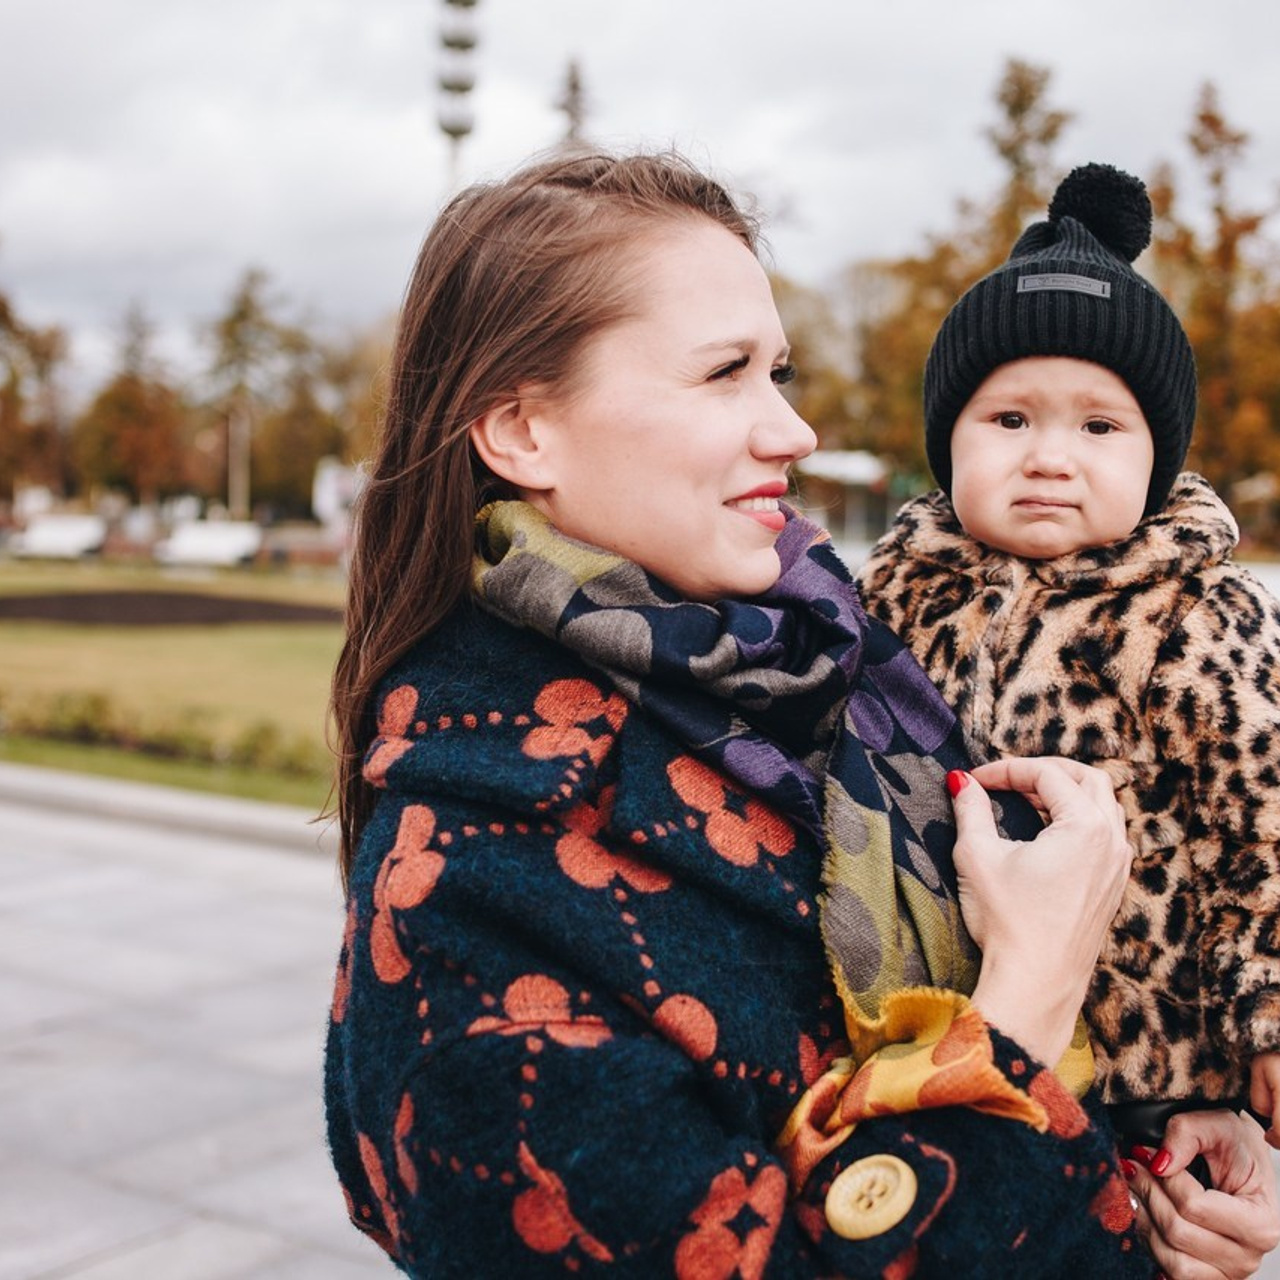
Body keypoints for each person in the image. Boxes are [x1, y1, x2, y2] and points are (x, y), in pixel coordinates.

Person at [324, 149, 1278, 1278]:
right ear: (523, 429)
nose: (794, 430)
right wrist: (1027, 997)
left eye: (778, 370)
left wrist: (1152, 1185)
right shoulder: (464, 883)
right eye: (724, 372)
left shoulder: (841, 666)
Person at [854, 161, 1280, 1176]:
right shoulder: (895, 593)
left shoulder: (1187, 608)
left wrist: (1265, 1002)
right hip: (928, 1031)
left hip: (1141, 1069)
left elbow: (1260, 812)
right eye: (1007, 420)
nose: (1049, 455)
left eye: (1097, 425)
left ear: (1155, 455)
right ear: (946, 438)